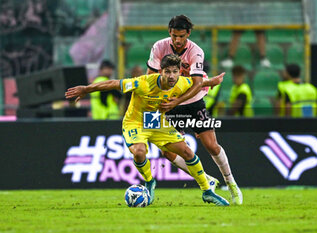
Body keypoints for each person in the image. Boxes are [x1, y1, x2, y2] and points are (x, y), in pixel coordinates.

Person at [65, 54, 229, 206]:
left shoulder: (181, 82)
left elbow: (197, 83)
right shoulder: (143, 83)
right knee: (139, 152)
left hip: (155, 122)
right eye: (167, 72)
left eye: (174, 72)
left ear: (179, 72)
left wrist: (212, 81)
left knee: (187, 152)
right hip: (135, 122)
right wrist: (86, 89)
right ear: (160, 71)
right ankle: (150, 181)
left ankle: (207, 191)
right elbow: (113, 83)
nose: (171, 76)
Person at [146, 15, 243, 205]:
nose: (177, 40)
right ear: (169, 33)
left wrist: (178, 100)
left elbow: (197, 84)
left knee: (211, 145)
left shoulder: (195, 51)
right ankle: (207, 179)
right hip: (170, 103)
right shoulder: (159, 47)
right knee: (168, 152)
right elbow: (150, 76)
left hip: (193, 101)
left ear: (188, 34)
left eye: (181, 36)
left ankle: (231, 183)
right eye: (174, 36)